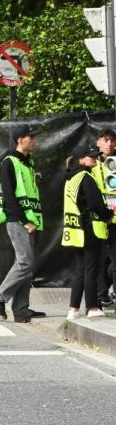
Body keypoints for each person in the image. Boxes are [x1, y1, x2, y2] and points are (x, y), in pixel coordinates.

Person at [0, 125, 46, 323]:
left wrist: (32, 220)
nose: (34, 140)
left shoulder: (28, 163)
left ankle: (21, 310)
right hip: (19, 220)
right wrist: (24, 221)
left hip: (31, 220)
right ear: (20, 139)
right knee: (25, 262)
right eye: (31, 137)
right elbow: (9, 196)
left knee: (27, 266)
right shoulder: (9, 162)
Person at [62, 144, 112, 320]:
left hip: (76, 230)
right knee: (92, 270)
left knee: (81, 271)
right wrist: (109, 214)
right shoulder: (86, 177)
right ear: (81, 159)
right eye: (91, 156)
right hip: (89, 229)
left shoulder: (71, 177)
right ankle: (92, 307)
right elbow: (95, 205)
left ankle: (73, 308)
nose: (95, 158)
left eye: (96, 155)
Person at [91, 128, 116, 307]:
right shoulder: (92, 162)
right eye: (106, 140)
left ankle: (104, 292)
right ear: (98, 142)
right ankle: (100, 295)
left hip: (114, 218)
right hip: (98, 218)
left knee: (111, 261)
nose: (109, 144)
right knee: (99, 259)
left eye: (112, 140)